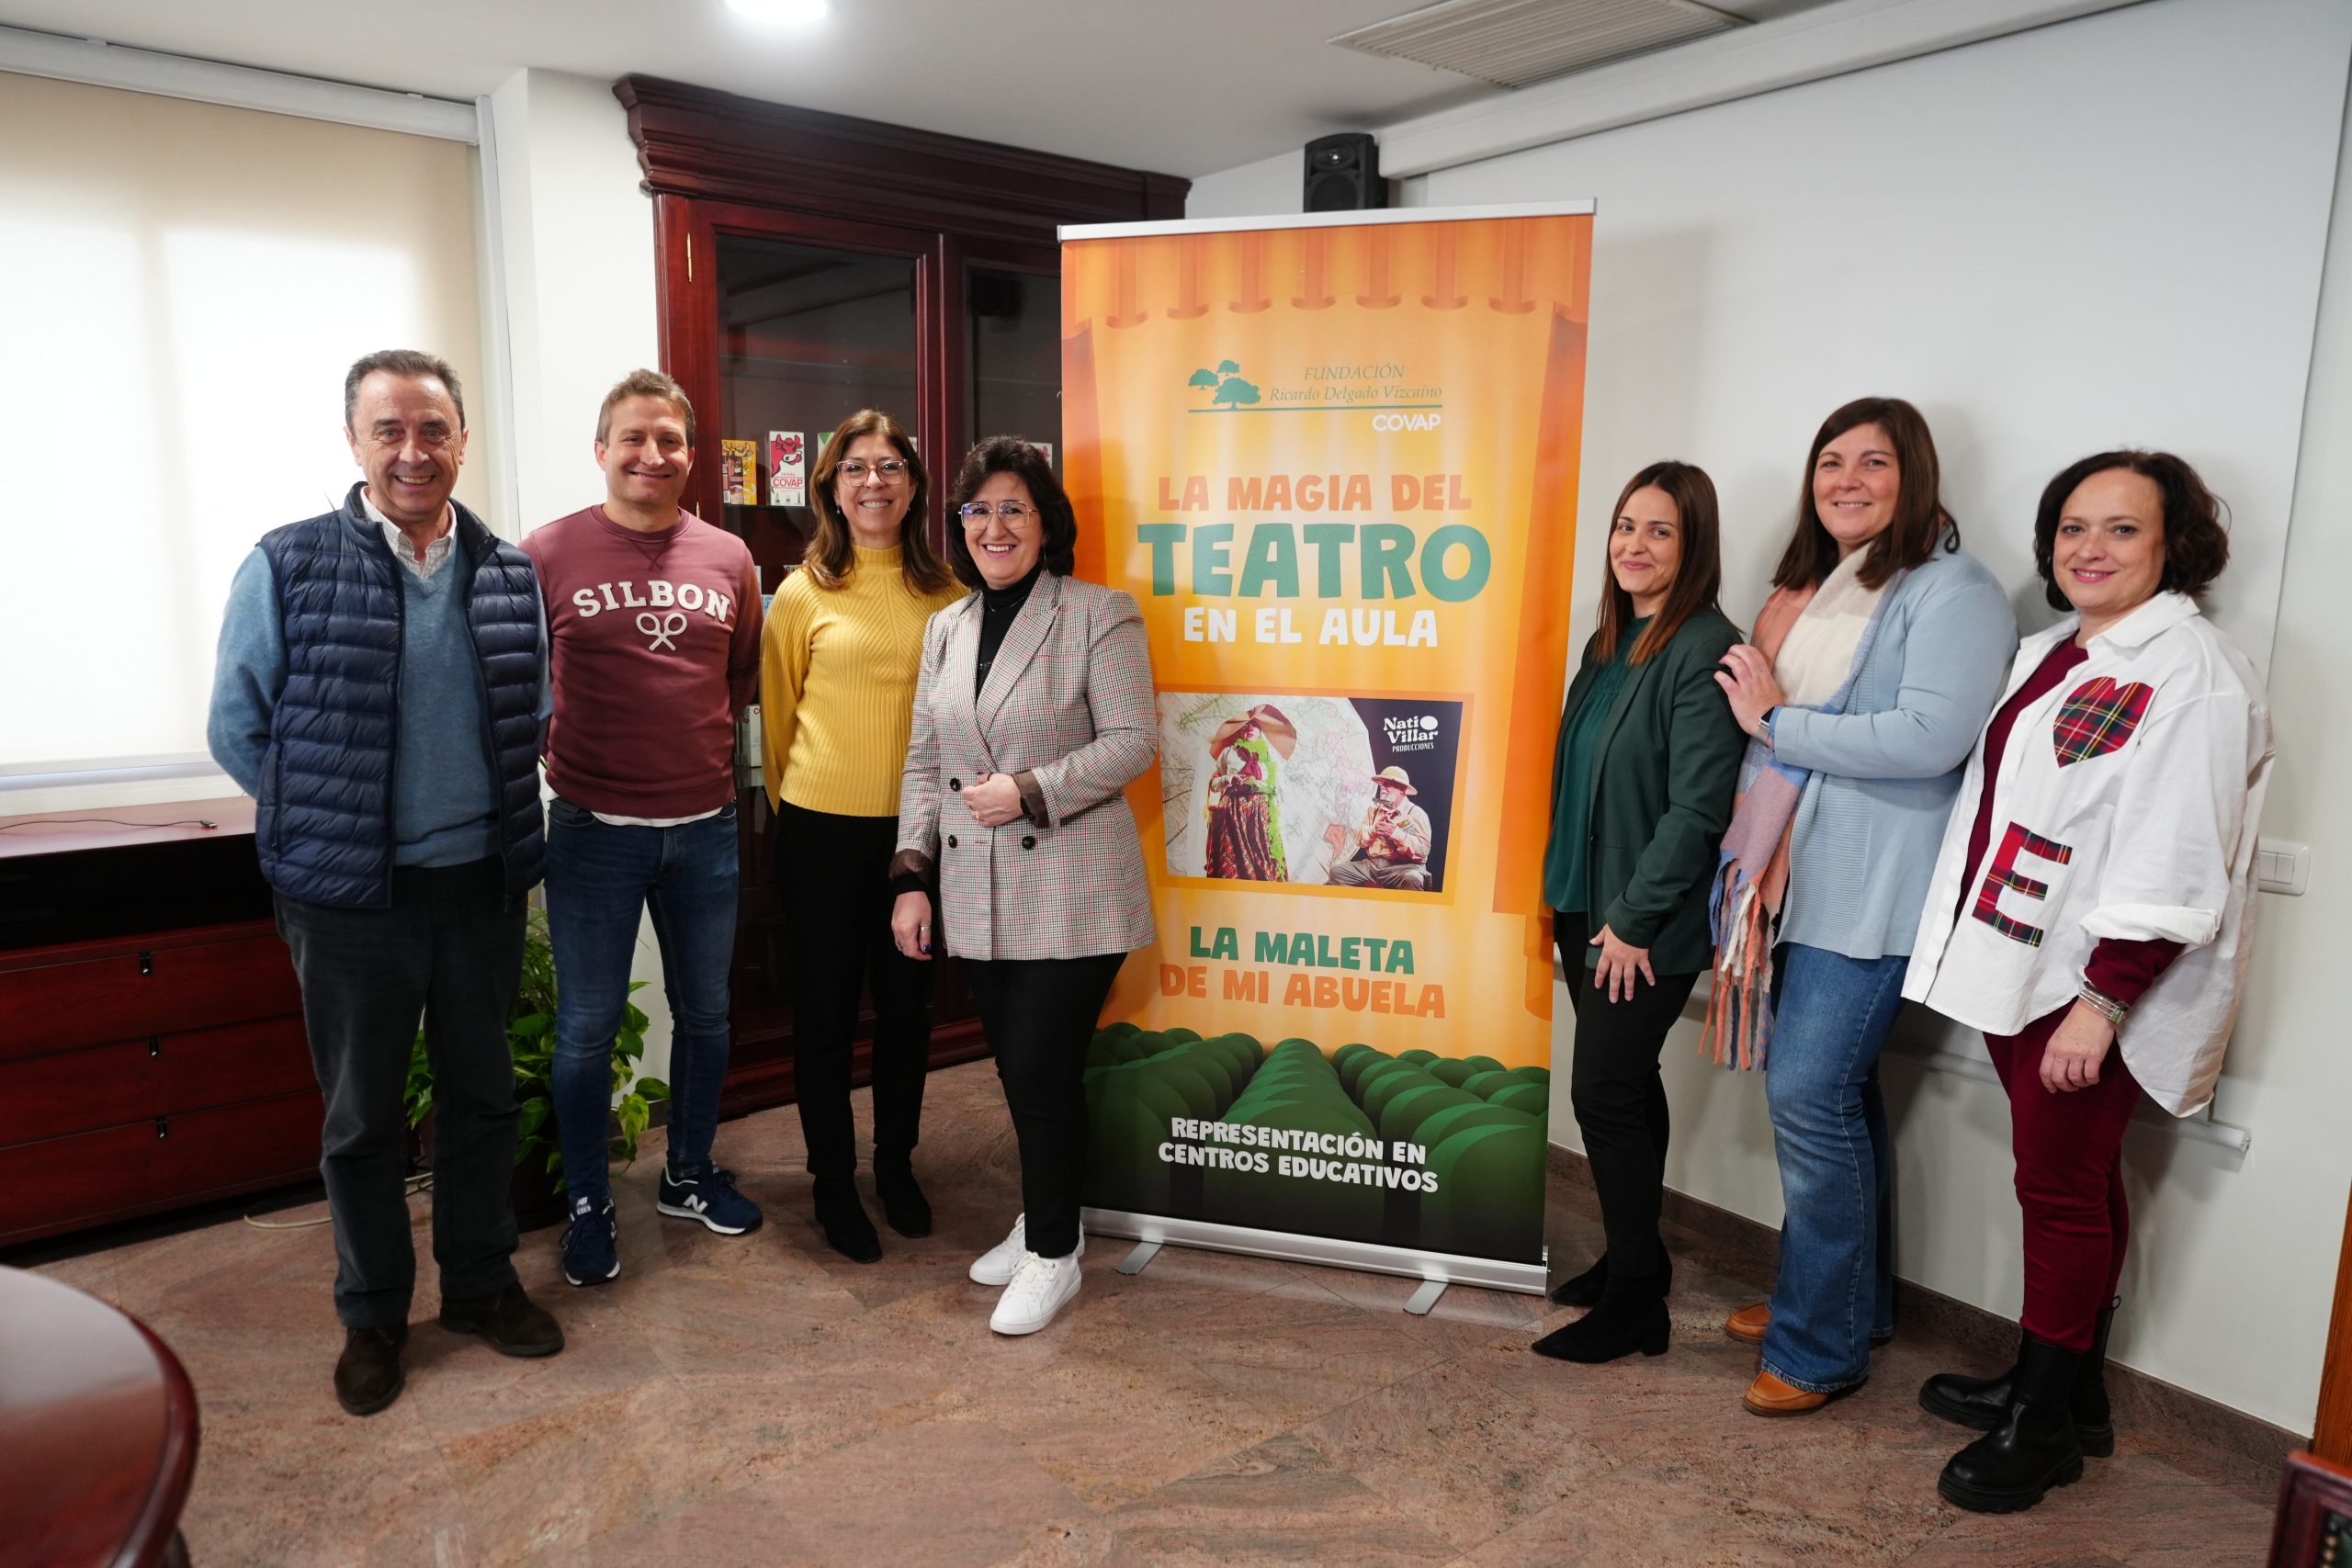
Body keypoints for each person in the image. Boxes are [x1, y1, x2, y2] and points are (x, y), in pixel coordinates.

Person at [1902, 452, 2269, 1511]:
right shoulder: (2053, 652)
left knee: (2057, 1194)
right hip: (2025, 965)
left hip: (2089, 987)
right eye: (2071, 528)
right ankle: (2062, 1392)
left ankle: (2042, 1431)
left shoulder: (2188, 668)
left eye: (2119, 530)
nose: (2087, 550)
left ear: (2172, 546)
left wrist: (2103, 1003)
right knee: (2079, 1182)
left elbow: (2177, 853)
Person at [207, 349, 561, 1416]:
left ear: (462, 438)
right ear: (355, 444)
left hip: (477, 886)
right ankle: (371, 1315)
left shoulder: (506, 570)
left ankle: (480, 1287)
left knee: (482, 1098)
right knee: (361, 1119)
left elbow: (531, 707)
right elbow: (239, 723)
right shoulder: (289, 563)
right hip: (349, 898)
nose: (414, 451)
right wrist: (328, 813)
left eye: (434, 430)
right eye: (389, 431)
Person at [1709, 397, 2017, 1416]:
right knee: (1838, 1096)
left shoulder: (1952, 589)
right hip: (1800, 883)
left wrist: (1777, 719)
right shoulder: (1832, 587)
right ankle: (1843, 1301)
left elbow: (1927, 737)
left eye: (1872, 462)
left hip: (1875, 891)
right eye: (1829, 461)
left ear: (1913, 475)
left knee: (1807, 1094)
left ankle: (1818, 1348)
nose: (1845, 479)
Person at [889, 435, 1157, 1336]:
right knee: (1015, 1068)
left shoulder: (1096, 612)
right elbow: (924, 762)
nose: (993, 526)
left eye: (1013, 508)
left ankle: (1054, 1256)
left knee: (1041, 1069)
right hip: (973, 889)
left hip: (1075, 883)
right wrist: (912, 876)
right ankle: (1045, 1216)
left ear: (1046, 522)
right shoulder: (946, 627)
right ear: (958, 526)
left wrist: (1030, 790)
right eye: (977, 510)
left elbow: (1131, 740)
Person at [524, 369, 764, 1289]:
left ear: (689, 457)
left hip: (702, 829)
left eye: (668, 440)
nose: (650, 455)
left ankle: (688, 1172)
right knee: (586, 1029)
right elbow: (519, 676)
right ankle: (588, 1204)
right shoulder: (544, 552)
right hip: (592, 830)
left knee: (706, 1014)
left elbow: (736, 677)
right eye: (632, 437)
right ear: (601, 450)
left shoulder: (729, 557)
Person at [1531, 462, 1746, 1364]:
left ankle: (1634, 1308)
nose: (1634, 545)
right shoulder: (1609, 644)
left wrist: (1629, 918)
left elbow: (1698, 810)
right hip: (1586, 909)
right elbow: (1576, 781)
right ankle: (1638, 1260)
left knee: (1601, 1092)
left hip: (1641, 923)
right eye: (1625, 526)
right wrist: (1561, 897)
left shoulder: (1702, 646)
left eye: (1659, 530)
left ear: (1693, 545)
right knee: (1626, 1089)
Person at [760, 410, 963, 1262]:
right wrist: (801, 813)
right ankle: (833, 1183)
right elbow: (776, 719)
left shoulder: (951, 593)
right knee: (825, 1017)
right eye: (854, 469)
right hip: (821, 833)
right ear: (831, 490)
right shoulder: (804, 590)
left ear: (913, 486)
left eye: (888, 467)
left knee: (907, 1014)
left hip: (919, 842)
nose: (872, 481)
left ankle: (895, 1165)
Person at [1204, 710, 1289, 880]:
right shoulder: (1228, 752)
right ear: (1240, 729)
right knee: (1232, 858)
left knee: (1264, 861)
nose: (1249, 727)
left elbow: (1278, 788)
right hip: (1234, 812)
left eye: (1254, 725)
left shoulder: (1270, 755)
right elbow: (1213, 785)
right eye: (1246, 724)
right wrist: (1229, 779)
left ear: (1260, 730)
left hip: (1261, 815)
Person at [1327, 767, 1433, 889]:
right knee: (1337, 872)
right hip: (1372, 867)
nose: (1383, 787)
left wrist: (1396, 833)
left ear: (1402, 790)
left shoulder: (1416, 813)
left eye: (1389, 784)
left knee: (1412, 879)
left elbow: (1423, 849)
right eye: (1382, 784)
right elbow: (1358, 839)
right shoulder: (1374, 810)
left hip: (1403, 868)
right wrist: (1374, 829)